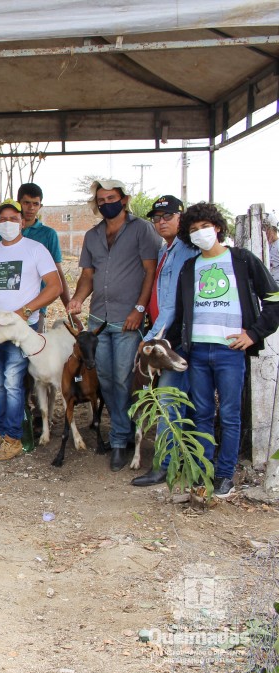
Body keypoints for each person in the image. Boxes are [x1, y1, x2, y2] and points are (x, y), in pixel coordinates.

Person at [166, 202, 279, 497]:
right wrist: (175, 347)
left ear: (217, 227)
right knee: (202, 413)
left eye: (205, 226)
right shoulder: (190, 268)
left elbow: (274, 299)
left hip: (230, 352)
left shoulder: (242, 260)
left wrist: (253, 334)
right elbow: (181, 314)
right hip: (198, 353)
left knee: (229, 415)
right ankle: (203, 471)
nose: (200, 233)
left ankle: (225, 474)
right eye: (193, 229)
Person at [67, 179, 161, 472]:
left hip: (126, 320)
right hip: (97, 321)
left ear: (124, 199)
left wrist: (139, 308)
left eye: (111, 197)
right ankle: (124, 431)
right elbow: (87, 275)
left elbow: (150, 272)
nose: (105, 202)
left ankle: (120, 441)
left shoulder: (142, 229)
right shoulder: (93, 235)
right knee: (105, 380)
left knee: (122, 379)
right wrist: (77, 299)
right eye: (100, 199)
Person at [0, 200, 61, 462]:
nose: (8, 223)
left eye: (13, 218)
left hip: (20, 331)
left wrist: (26, 311)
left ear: (22, 221)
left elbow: (54, 286)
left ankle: (14, 439)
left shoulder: (35, 250)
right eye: (3, 219)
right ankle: (5, 433)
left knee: (13, 384)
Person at [131, 195, 199, 487]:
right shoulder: (164, 250)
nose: (161, 222)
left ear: (180, 218)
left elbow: (171, 304)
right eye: (157, 218)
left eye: (168, 216)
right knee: (173, 400)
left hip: (174, 339)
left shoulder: (186, 250)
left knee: (169, 402)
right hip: (165, 335)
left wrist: (149, 338)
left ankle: (165, 465)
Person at [17, 183, 70, 331]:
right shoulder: (7, 233)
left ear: (41, 206)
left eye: (35, 204)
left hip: (36, 309)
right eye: (26, 203)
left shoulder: (48, 234)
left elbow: (57, 272)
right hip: (8, 309)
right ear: (19, 202)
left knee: (34, 352)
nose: (31, 208)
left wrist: (69, 310)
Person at [266, 217, 279, 281]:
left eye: (267, 231)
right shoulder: (267, 246)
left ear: (272, 231)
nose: (266, 234)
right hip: (270, 283)